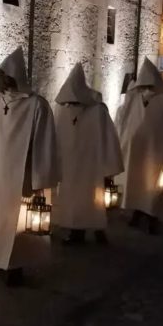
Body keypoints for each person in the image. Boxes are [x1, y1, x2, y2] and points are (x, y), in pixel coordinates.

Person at [0, 47, 59, 286]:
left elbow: (44, 143)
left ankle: (15, 266)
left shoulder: (37, 105)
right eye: (1, 77)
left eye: (8, 77)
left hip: (23, 176)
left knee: (20, 224)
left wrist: (40, 179)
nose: (4, 81)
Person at [53, 63, 123, 245]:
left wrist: (109, 168)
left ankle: (97, 230)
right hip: (70, 166)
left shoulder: (98, 112)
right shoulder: (62, 112)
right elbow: (57, 138)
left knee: (93, 198)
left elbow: (108, 138)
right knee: (73, 199)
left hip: (91, 165)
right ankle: (77, 232)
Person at [115, 57, 163, 234]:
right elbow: (124, 120)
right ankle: (138, 212)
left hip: (156, 146)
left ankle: (153, 215)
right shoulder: (133, 97)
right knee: (136, 180)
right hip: (136, 147)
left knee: (154, 182)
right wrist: (121, 141)